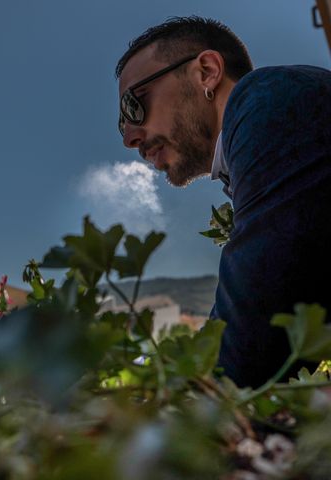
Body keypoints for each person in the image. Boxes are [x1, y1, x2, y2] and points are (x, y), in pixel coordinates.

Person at [115, 16, 331, 388]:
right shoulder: (259, 132)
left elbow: (254, 329)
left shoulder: (267, 100)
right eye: (123, 125)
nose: (131, 137)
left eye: (135, 105)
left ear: (207, 72)